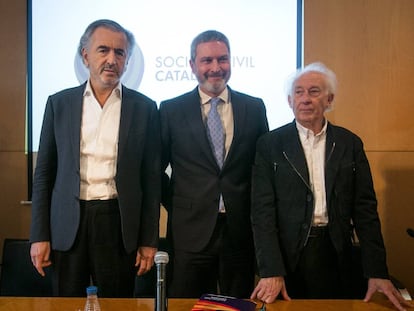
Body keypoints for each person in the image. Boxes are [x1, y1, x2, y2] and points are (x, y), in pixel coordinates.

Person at [250, 62, 412, 310]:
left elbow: (365, 211)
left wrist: (377, 271)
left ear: (329, 99)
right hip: (287, 258)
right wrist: (271, 269)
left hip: (336, 254)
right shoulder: (270, 144)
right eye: (299, 92)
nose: (305, 99)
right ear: (289, 100)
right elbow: (262, 213)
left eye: (314, 91)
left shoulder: (349, 143)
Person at [29, 19, 161, 297]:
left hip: (118, 223)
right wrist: (39, 235)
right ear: (86, 55)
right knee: (66, 302)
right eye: (103, 50)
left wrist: (149, 241)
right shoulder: (59, 104)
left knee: (117, 302)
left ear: (127, 60)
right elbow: (44, 174)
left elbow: (151, 180)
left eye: (120, 52)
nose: (112, 59)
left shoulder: (145, 109)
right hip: (68, 223)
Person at [159, 30, 269, 298]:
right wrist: (178, 202)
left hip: (240, 232)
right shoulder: (171, 109)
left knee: (238, 304)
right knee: (187, 304)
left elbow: (263, 170)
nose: (216, 68)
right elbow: (155, 169)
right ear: (192, 65)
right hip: (189, 232)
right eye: (207, 60)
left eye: (223, 59)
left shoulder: (254, 108)